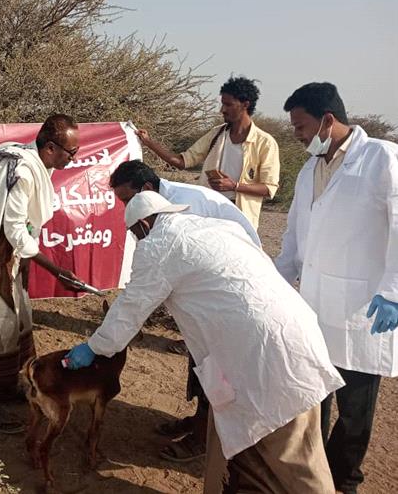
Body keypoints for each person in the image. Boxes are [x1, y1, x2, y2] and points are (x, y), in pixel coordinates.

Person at [65, 191, 344, 493]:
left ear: (144, 225)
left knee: (296, 461)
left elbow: (129, 309)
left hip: (270, 360)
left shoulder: (161, 244)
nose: (138, 240)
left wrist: (95, 347)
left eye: (135, 234)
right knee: (237, 443)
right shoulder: (217, 228)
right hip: (288, 338)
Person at [274, 82, 398, 494]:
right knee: (314, 397)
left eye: (301, 125)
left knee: (355, 408)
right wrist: (275, 284)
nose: (297, 134)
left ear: (328, 120)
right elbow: (294, 234)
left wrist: (394, 291)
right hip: (313, 304)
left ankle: (345, 481)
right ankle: (314, 476)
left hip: (363, 307)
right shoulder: (311, 168)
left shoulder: (381, 157)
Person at [109, 159, 260, 463]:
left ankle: (203, 437)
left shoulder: (190, 204)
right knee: (201, 364)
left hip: (228, 299)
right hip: (209, 298)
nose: (125, 206)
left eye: (127, 199)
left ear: (147, 189)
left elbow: (145, 290)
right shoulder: (162, 208)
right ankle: (200, 420)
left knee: (215, 369)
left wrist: (100, 345)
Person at [0, 113, 85, 433]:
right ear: (49, 148)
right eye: (70, 152)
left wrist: (29, 260)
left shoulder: (32, 163)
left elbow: (21, 229)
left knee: (19, 314)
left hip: (7, 243)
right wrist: (55, 270)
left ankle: (6, 385)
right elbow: (15, 229)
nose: (75, 158)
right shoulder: (22, 170)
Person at [136, 76, 279, 230]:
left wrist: (234, 186)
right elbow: (182, 161)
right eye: (222, 104)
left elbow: (268, 188)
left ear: (245, 105)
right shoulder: (216, 134)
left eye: (228, 105)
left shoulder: (265, 142)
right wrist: (148, 142)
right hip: (208, 213)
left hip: (240, 218)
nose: (222, 110)